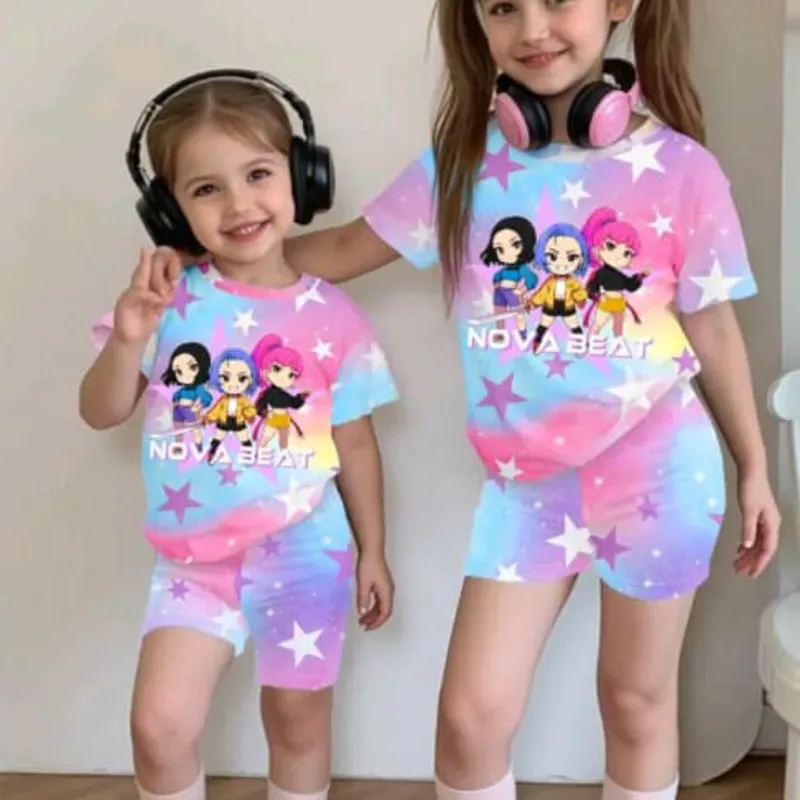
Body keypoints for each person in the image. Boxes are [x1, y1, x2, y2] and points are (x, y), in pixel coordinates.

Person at [148, 1, 782, 798]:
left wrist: (753, 466)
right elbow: (344, 248)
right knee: (470, 721)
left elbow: (712, 326)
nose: (533, 28)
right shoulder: (462, 165)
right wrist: (209, 267)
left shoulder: (684, 169)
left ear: (619, 3)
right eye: (503, 6)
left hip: (662, 471)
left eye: (558, 0)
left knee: (635, 702)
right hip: (527, 489)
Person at [78, 73, 399, 800]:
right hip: (194, 563)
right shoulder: (165, 303)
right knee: (160, 727)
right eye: (206, 188)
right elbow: (100, 411)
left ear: (302, 177)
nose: (238, 204)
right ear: (169, 210)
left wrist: (374, 550)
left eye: (257, 174)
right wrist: (128, 339)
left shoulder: (334, 315)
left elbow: (355, 444)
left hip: (308, 553)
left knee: (297, 722)